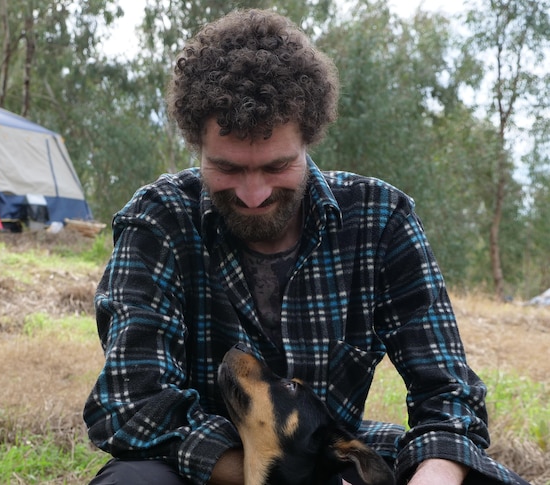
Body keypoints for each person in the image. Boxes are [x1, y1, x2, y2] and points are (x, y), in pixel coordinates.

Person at [82, 8, 529, 485]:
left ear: (309, 138)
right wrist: (272, 479)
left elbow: (448, 394)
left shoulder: (381, 219)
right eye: (228, 169)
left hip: (330, 463)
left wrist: (432, 476)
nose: (253, 194)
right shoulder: (159, 219)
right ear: (197, 145)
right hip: (201, 471)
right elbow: (130, 405)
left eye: (276, 167)